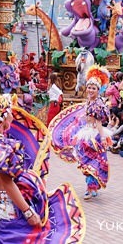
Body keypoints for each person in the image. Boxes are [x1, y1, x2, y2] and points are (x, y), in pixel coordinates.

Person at [0, 85, 85, 243]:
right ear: (2, 120)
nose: (13, 116)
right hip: (0, 212)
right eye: (10, 113)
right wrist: (28, 212)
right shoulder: (0, 145)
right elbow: (7, 183)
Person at [50, 65, 110, 200]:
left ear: (98, 90)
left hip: (94, 135)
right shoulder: (89, 102)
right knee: (85, 160)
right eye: (89, 87)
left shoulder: (98, 104)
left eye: (93, 88)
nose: (90, 90)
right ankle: (91, 186)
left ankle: (91, 187)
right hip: (85, 133)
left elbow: (99, 122)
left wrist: (103, 137)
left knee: (93, 161)